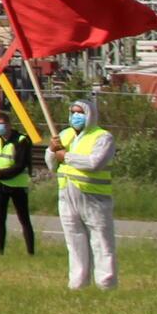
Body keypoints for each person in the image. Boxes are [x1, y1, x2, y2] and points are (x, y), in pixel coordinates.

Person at [49, 98, 117, 290]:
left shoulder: (103, 137)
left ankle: (106, 285)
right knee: (74, 242)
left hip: (94, 197)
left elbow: (95, 163)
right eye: (73, 112)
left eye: (80, 112)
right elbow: (51, 164)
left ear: (89, 115)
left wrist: (66, 156)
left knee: (101, 242)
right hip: (67, 195)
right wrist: (51, 150)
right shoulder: (64, 135)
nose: (76, 116)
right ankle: (77, 284)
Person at [0, 111, 36, 256]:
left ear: (9, 125)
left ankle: (31, 252)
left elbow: (20, 165)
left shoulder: (21, 140)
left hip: (17, 185)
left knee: (24, 219)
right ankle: (0, 252)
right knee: (0, 219)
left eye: (2, 124)